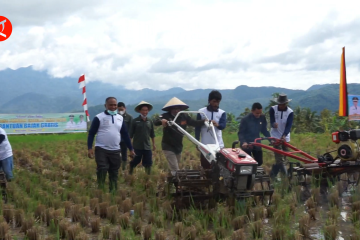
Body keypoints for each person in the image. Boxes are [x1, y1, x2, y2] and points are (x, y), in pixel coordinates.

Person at [87, 97, 135, 193]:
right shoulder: (99, 117)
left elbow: (125, 134)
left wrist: (131, 148)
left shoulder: (120, 118)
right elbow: (91, 133)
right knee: (102, 168)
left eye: (115, 105)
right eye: (111, 105)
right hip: (101, 148)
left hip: (116, 149)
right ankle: (100, 188)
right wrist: (89, 148)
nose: (113, 107)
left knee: (114, 171)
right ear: (106, 106)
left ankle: (113, 190)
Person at [154, 97, 205, 176]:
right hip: (168, 146)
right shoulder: (165, 116)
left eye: (178, 108)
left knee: (175, 168)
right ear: (170, 109)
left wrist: (205, 121)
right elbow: (156, 121)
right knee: (175, 169)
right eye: (174, 108)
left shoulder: (184, 116)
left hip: (178, 146)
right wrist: (162, 121)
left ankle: (171, 180)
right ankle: (177, 186)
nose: (176, 110)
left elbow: (194, 122)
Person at [195, 90, 226, 169]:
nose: (216, 104)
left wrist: (217, 124)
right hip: (205, 145)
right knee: (205, 166)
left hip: (218, 145)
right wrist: (197, 142)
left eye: (218, 102)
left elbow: (223, 126)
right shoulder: (201, 112)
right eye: (214, 101)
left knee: (218, 167)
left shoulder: (222, 113)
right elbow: (197, 127)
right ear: (209, 101)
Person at [269, 94, 294, 178]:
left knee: (285, 157)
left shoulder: (290, 112)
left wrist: (284, 135)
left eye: (282, 104)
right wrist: (273, 124)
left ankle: (273, 175)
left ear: (285, 104)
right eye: (279, 104)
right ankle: (286, 179)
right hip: (275, 136)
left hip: (285, 137)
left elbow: (289, 126)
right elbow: (271, 120)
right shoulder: (273, 109)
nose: (281, 105)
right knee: (280, 159)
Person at [129, 101, 156, 175]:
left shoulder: (150, 121)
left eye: (146, 110)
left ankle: (148, 176)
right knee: (136, 160)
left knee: (148, 162)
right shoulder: (135, 121)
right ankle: (130, 171)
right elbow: (130, 135)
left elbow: (152, 134)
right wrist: (130, 147)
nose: (145, 112)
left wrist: (154, 144)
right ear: (140, 111)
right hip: (137, 146)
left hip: (147, 146)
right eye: (143, 110)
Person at [117, 102, 133, 170]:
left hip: (125, 139)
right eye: (119, 109)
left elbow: (131, 129)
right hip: (116, 139)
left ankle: (123, 168)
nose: (120, 111)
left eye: (122, 109)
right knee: (116, 154)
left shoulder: (129, 117)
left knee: (124, 154)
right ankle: (117, 167)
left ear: (125, 108)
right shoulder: (115, 116)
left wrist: (130, 138)